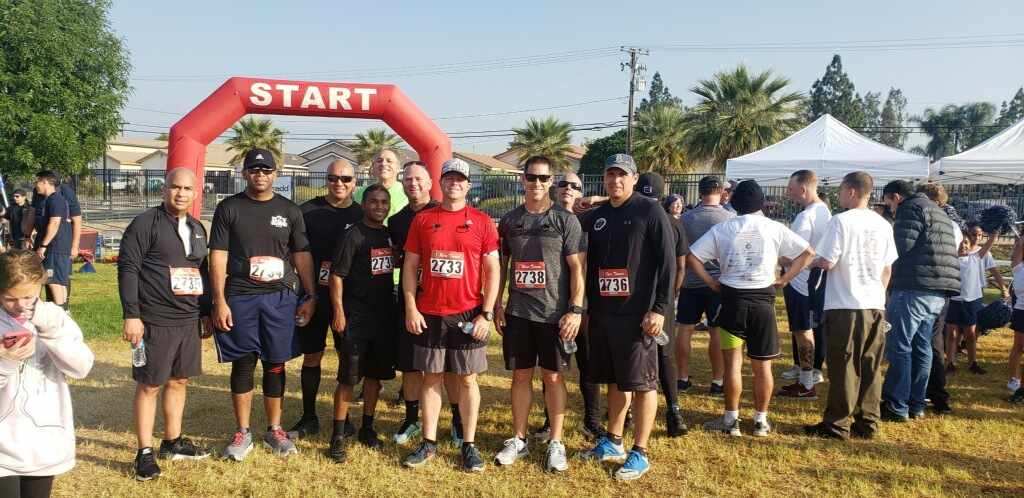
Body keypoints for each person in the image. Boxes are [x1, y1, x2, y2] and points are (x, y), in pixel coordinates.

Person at [208, 148, 317, 460]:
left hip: (279, 298)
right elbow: (218, 255)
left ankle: (274, 429)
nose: (260, 175)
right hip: (240, 296)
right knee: (244, 362)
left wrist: (310, 295)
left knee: (275, 362)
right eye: (254, 170)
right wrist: (218, 301)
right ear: (244, 174)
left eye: (266, 170)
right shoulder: (229, 208)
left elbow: (301, 255)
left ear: (275, 174)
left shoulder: (290, 210)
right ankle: (242, 432)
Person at [690, 180, 815, 438]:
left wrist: (711, 281)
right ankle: (760, 421)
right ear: (762, 202)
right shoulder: (774, 228)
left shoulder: (724, 228)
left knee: (732, 365)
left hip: (732, 300)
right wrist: (786, 278)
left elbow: (693, 257)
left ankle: (731, 419)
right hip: (763, 301)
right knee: (762, 367)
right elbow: (808, 253)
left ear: (734, 202)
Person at [577, 154, 674, 481]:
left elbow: (668, 263)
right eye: (610, 175)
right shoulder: (599, 215)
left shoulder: (650, 211)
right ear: (604, 179)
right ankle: (614, 441)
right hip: (604, 314)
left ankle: (640, 451)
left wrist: (659, 308)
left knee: (643, 384)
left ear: (634, 178)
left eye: (622, 175)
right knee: (616, 380)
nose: (616, 180)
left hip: (639, 316)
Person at [400, 158, 499, 472]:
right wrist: (411, 306)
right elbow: (410, 266)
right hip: (430, 312)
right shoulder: (423, 221)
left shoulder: (482, 221)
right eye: (449, 178)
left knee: (468, 380)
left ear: (468, 185)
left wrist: (486, 313)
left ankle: (468, 444)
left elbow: (493, 269)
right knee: (431, 378)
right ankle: (428, 443)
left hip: (468, 312)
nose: (454, 183)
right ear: (439, 183)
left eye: (460, 179)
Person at [118, 168, 213, 480]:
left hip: (187, 319)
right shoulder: (145, 224)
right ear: (164, 189)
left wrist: (205, 311)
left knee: (179, 380)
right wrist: (132, 314)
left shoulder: (197, 227)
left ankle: (172, 441)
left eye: (187, 188)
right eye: (175, 187)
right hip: (154, 319)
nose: (181, 193)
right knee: (150, 385)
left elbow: (203, 272)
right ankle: (144, 452)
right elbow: (129, 269)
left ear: (196, 193)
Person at [492, 156, 584, 472]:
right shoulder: (509, 220)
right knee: (520, 376)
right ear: (522, 179)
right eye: (532, 177)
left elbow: (576, 269)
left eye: (544, 179)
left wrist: (575, 310)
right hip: (518, 312)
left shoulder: (565, 220)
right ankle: (518, 438)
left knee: (553, 377)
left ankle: (556, 442)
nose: (537, 184)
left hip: (554, 315)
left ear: (552, 181)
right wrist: (496, 303)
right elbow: (502, 266)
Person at [802, 172, 898, 440]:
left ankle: (837, 424)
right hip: (875, 303)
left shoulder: (840, 222)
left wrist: (805, 262)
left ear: (852, 191)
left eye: (842, 190)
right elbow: (887, 269)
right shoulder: (883, 225)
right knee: (870, 365)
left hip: (845, 303)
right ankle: (868, 421)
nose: (839, 195)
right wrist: (878, 294)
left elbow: (828, 261)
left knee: (844, 364)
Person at [0, 250, 94, 498]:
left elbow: (81, 367)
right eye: (11, 298)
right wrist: (4, 361)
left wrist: (50, 330)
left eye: (28, 297)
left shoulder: (54, 318)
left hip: (43, 443)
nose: (20, 305)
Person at [287, 159, 364, 440]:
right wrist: (308, 293)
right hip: (315, 296)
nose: (339, 184)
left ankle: (343, 418)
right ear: (326, 180)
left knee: (350, 359)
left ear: (355, 181)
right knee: (312, 356)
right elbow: (295, 253)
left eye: (345, 179)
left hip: (349, 301)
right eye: (333, 178)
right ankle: (308, 416)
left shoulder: (361, 213)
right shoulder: (307, 211)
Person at [389, 161, 463, 446]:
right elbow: (398, 258)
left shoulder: (444, 212)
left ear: (430, 182)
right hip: (410, 301)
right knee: (410, 364)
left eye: (418, 179)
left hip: (445, 303)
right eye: (407, 180)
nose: (413, 184)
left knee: (448, 368)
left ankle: (457, 421)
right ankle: (411, 419)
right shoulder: (397, 220)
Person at [326, 185, 399, 463]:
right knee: (348, 378)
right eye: (373, 202)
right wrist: (339, 311)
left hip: (384, 317)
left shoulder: (388, 234)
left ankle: (367, 427)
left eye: (384, 202)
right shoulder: (352, 234)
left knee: (375, 378)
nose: (379, 206)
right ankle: (337, 435)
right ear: (364, 204)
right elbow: (336, 276)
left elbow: (393, 262)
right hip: (355, 317)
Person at [879, 180, 959, 422]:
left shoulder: (910, 209)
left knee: (900, 345)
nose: (890, 209)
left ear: (896, 197)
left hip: (914, 286)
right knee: (922, 346)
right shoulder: (939, 212)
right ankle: (916, 403)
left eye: (888, 204)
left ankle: (896, 404)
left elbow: (899, 248)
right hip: (939, 288)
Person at [633, 172, 688, 437]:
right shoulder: (674, 223)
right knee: (665, 356)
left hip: (637, 299)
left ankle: (631, 410)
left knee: (634, 353)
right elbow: (680, 266)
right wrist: (671, 296)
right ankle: (674, 409)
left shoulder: (634, 216)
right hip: (662, 301)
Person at [676, 176, 733, 396]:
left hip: (690, 280)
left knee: (685, 329)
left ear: (699, 192)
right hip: (719, 282)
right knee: (716, 332)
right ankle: (717, 381)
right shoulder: (729, 218)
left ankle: (681, 377)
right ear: (720, 192)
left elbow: (680, 251)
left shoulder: (686, 218)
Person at [778, 170, 831, 399]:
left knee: (803, 330)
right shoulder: (824, 211)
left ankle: (807, 384)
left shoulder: (806, 216)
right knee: (806, 329)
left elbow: (798, 253)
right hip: (811, 280)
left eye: (790, 188)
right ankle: (805, 377)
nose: (788, 193)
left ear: (803, 189)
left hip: (801, 282)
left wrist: (780, 260)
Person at [917, 183, 961, 414]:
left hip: (927, 285)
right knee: (932, 341)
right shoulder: (952, 224)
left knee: (926, 342)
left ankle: (930, 392)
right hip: (944, 287)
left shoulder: (932, 221)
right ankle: (934, 394)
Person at [945, 222, 1008, 375]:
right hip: (953, 300)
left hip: (971, 301)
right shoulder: (949, 259)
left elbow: (989, 244)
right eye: (960, 243)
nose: (963, 246)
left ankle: (973, 363)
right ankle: (950, 363)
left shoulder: (976, 257)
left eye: (965, 243)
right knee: (952, 334)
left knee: (970, 334)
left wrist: (995, 232)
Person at [31, 171, 73, 310]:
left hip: (54, 247)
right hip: (54, 247)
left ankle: (61, 315)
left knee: (53, 281)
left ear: (45, 182)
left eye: (37, 181)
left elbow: (54, 223)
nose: (35, 185)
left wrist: (43, 245)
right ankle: (64, 313)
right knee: (58, 282)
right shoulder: (49, 200)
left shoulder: (55, 200)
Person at [355, 149, 409, 223]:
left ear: (398, 168)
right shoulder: (360, 193)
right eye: (379, 161)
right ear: (373, 167)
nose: (383, 164)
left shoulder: (407, 192)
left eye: (389, 161)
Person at [1008, 236, 1024, 403]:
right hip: (1021, 310)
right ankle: (1014, 381)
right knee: (1019, 347)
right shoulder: (1018, 267)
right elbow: (1019, 246)